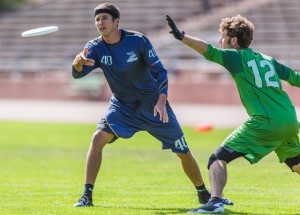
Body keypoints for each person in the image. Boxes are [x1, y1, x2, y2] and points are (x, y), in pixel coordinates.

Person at [72, 3, 233, 208]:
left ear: (116, 22)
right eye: (97, 19)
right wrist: (77, 63)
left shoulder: (138, 41)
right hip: (123, 106)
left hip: (153, 104)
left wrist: (162, 100)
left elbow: (160, 72)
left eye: (104, 18)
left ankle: (203, 193)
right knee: (97, 138)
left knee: (183, 152)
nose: (100, 23)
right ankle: (87, 195)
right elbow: (78, 73)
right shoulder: (94, 46)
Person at [166, 14, 300, 214]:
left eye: (223, 36)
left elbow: (209, 51)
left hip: (266, 122)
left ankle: (215, 202)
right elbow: (295, 78)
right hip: (290, 119)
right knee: (296, 163)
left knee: (217, 159)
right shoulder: (267, 59)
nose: (221, 41)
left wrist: (182, 36)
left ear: (234, 40)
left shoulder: (235, 57)